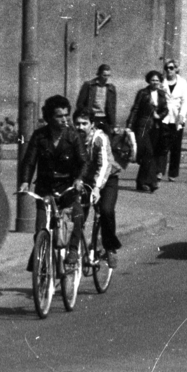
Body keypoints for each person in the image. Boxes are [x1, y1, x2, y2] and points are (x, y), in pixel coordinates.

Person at [18, 94, 88, 265]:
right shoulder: (39, 136)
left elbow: (84, 162)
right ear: (49, 117)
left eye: (66, 115)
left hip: (67, 186)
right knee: (42, 227)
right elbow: (29, 161)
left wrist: (79, 179)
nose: (64, 119)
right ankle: (42, 262)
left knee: (76, 215)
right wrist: (25, 181)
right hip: (45, 188)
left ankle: (73, 250)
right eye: (59, 116)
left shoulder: (73, 136)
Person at [74, 109, 121, 269]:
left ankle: (110, 248)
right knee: (78, 213)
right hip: (85, 180)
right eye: (78, 123)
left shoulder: (99, 138)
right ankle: (75, 251)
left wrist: (97, 188)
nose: (80, 127)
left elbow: (105, 165)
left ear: (92, 124)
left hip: (107, 180)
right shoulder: (74, 139)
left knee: (106, 211)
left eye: (84, 123)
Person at [126, 70, 170, 192]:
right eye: (152, 80)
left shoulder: (161, 94)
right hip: (143, 126)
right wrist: (129, 125)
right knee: (148, 152)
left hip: (156, 128)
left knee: (149, 155)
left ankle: (141, 183)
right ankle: (152, 182)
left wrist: (159, 116)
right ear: (148, 81)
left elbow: (166, 109)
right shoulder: (143, 93)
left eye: (157, 80)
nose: (155, 82)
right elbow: (135, 109)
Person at [160, 58, 187, 181]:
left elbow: (186, 100)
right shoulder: (162, 82)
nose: (169, 70)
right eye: (167, 68)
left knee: (176, 147)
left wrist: (182, 114)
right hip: (165, 117)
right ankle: (160, 171)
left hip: (177, 117)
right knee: (162, 145)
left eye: (171, 68)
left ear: (176, 69)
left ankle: (173, 173)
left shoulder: (182, 82)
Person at [75, 64, 117, 135]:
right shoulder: (89, 85)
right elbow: (80, 103)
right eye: (104, 75)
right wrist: (86, 113)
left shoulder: (111, 88)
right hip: (92, 117)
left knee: (106, 139)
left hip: (105, 118)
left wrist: (113, 124)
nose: (106, 78)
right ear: (99, 74)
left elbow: (113, 108)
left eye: (108, 75)